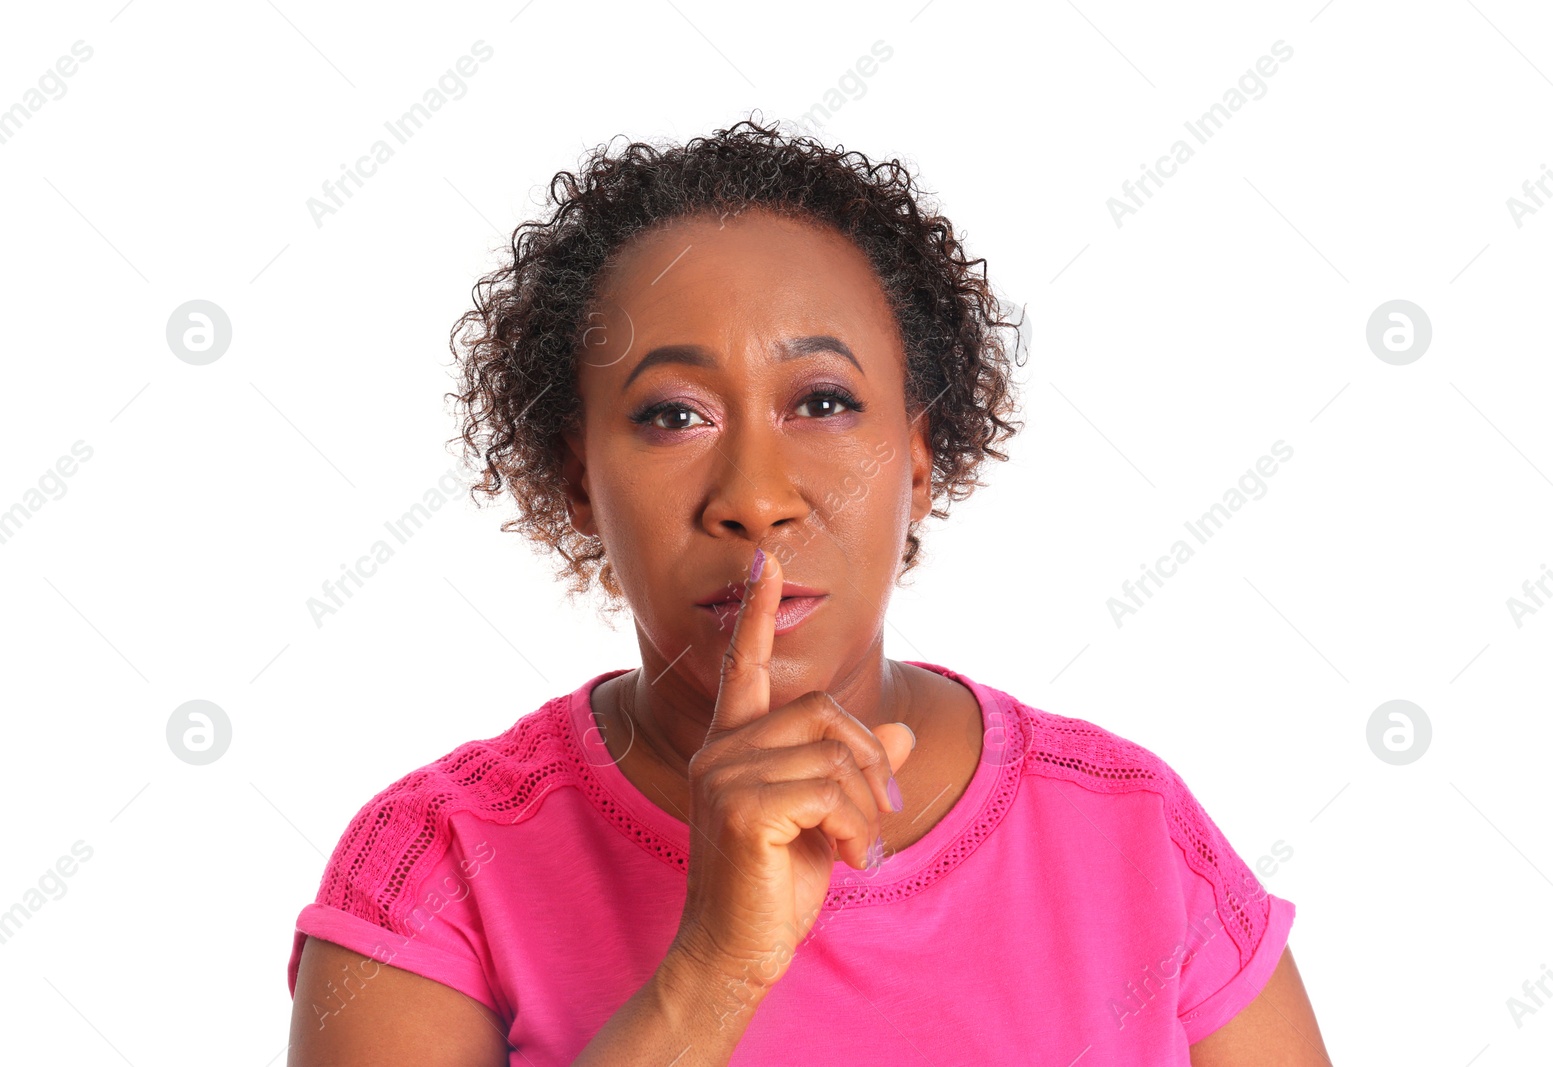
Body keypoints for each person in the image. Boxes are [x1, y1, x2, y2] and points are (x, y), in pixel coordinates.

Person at [285, 115, 1331, 1065]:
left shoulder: (1130, 835)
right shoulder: (438, 864)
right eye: (670, 414)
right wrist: (714, 970)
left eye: (822, 401)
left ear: (918, 459)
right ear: (577, 480)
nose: (754, 499)